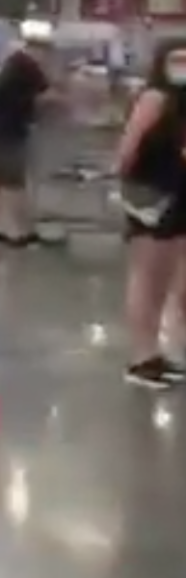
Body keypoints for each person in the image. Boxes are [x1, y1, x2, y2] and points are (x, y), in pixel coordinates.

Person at [117, 40, 186, 389]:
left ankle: (155, 353)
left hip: (176, 195)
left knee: (164, 279)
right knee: (147, 278)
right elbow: (127, 150)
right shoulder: (155, 97)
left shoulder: (179, 103)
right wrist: (129, 191)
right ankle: (141, 358)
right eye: (178, 59)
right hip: (150, 193)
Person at [0, 39, 52, 246]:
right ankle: (15, 232)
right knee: (12, 182)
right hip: (7, 130)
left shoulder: (14, 63)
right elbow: (46, 94)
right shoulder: (26, 66)